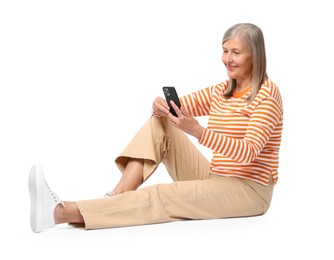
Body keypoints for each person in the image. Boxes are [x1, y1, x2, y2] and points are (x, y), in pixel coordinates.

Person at [29, 23, 283, 233]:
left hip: (249, 191)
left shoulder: (267, 97)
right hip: (216, 177)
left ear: (255, 55)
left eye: (236, 52)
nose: (227, 59)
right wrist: (162, 107)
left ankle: (59, 212)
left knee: (166, 196)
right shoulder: (223, 90)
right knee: (160, 123)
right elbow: (183, 106)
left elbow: (248, 152)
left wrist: (198, 132)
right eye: (225, 50)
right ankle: (116, 198)